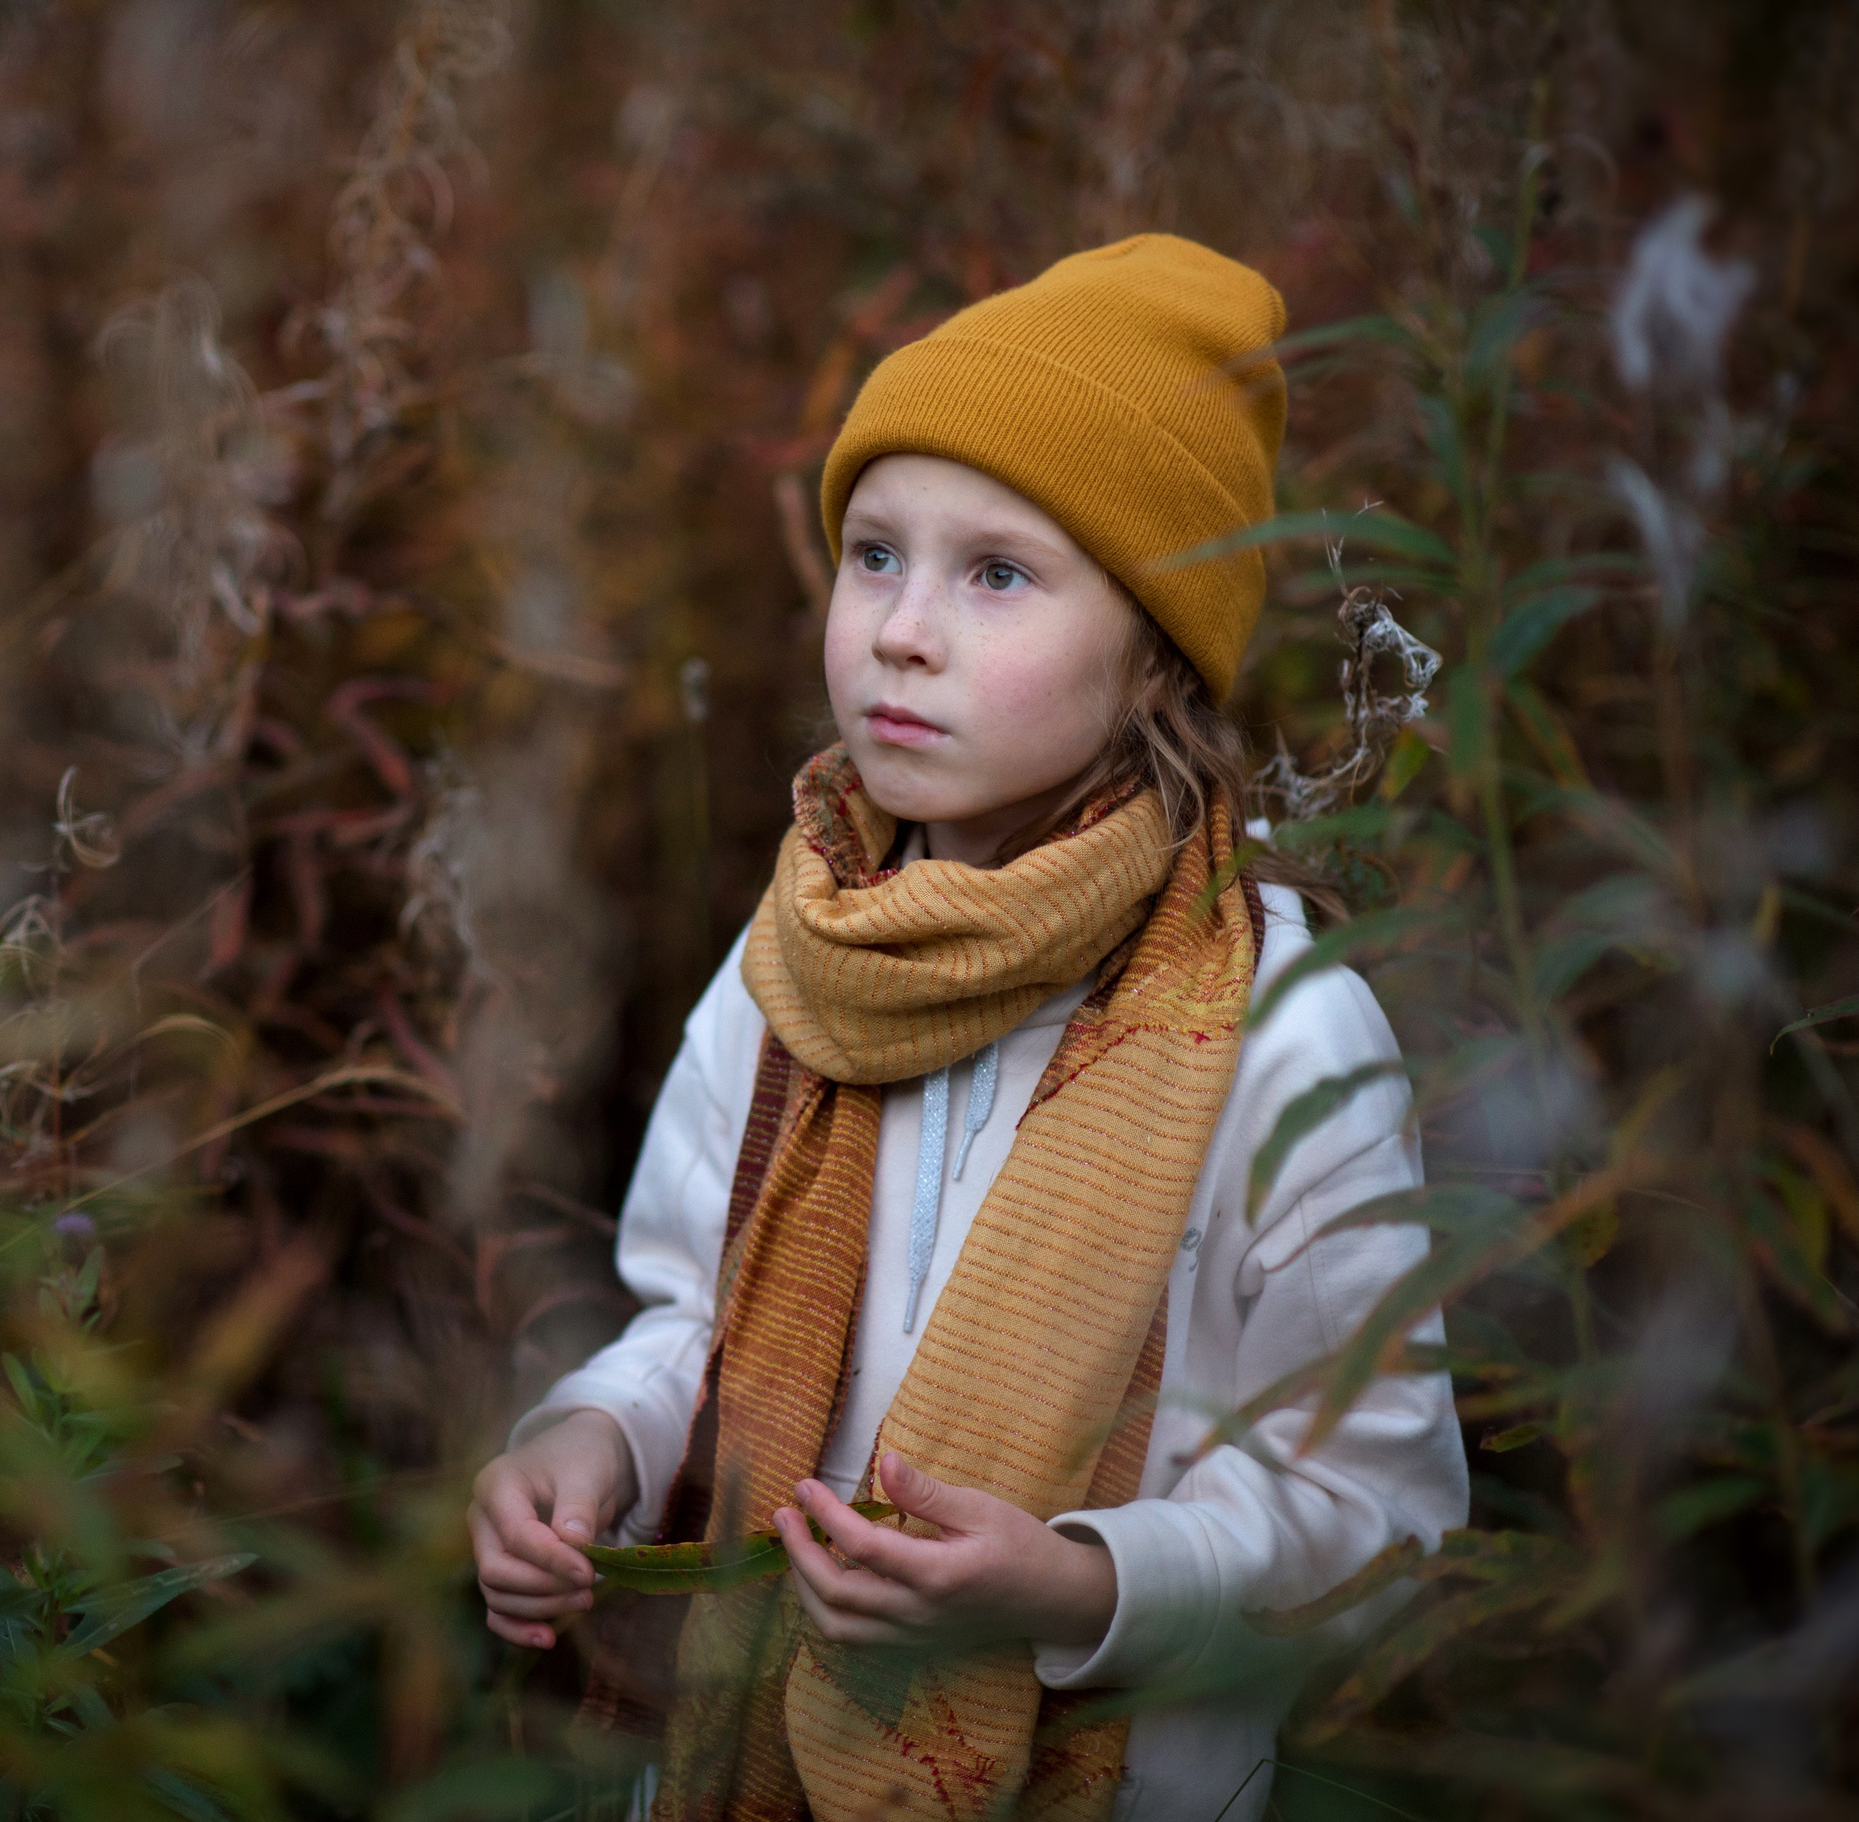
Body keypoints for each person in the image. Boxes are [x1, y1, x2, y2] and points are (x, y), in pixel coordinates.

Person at [465, 235, 1468, 1822]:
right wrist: (591, 1432)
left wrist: (1074, 1588)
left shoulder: (1282, 1033)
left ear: (1154, 643)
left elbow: (1380, 1513)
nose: (902, 629)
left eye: (997, 571)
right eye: (876, 553)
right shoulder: (797, 956)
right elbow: (690, 1325)